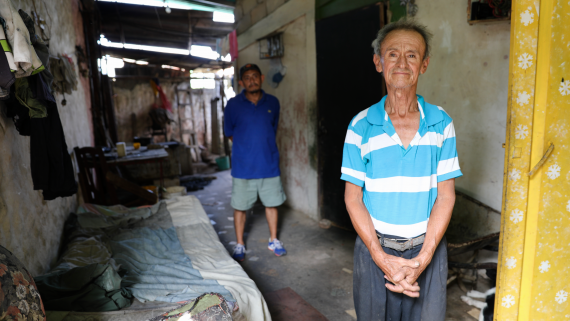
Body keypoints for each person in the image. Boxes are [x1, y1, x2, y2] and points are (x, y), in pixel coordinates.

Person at [341, 20, 462, 320]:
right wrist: (383, 259)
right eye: (392, 54)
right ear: (378, 62)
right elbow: (353, 198)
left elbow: (445, 197)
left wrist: (423, 259)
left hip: (427, 249)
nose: (402, 62)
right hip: (374, 249)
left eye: (412, 55)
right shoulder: (361, 126)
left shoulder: (441, 123)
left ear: (424, 65)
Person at [224, 63, 287, 261]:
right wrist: (248, 148)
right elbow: (230, 133)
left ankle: (274, 240)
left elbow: (272, 128)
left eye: (255, 76)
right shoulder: (233, 105)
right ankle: (240, 244)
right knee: (240, 207)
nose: (251, 80)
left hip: (269, 164)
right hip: (243, 167)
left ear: (261, 77)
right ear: (242, 82)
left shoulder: (273, 102)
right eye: (247, 77)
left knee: (272, 204)